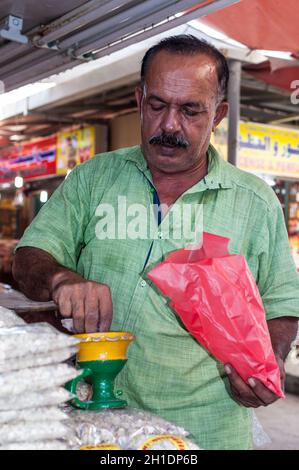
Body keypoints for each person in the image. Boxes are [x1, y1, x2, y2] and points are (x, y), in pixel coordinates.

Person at [13, 35, 299, 450]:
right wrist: (60, 278)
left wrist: (265, 366)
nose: (169, 125)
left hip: (206, 434)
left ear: (218, 114)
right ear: (138, 99)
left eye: (190, 111)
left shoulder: (255, 203)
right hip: (97, 427)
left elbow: (283, 305)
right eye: (158, 105)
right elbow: (30, 256)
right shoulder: (94, 179)